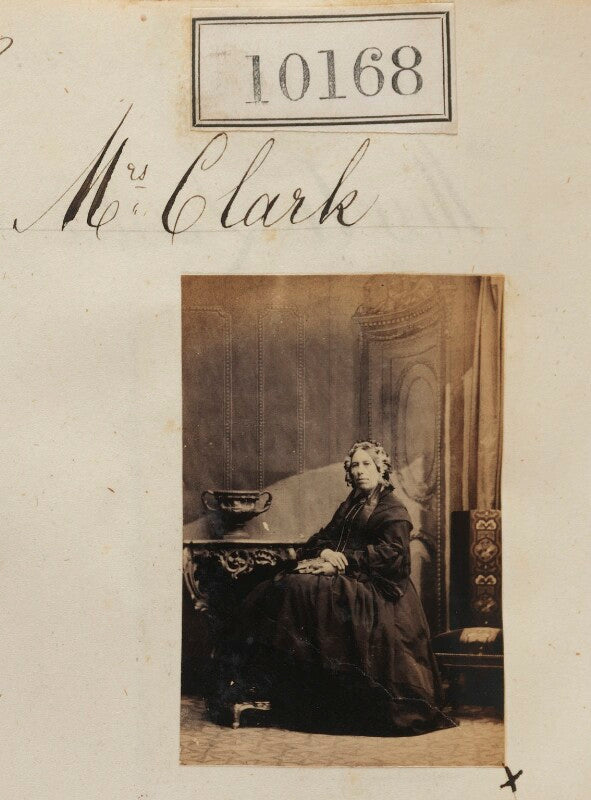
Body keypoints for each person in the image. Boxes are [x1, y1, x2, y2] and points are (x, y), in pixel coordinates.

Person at [212, 441, 453, 735]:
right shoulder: (351, 505)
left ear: (381, 469)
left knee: (299, 590)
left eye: (367, 464)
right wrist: (326, 554)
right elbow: (322, 538)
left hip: (379, 591)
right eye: (355, 465)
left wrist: (343, 563)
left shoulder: (393, 509)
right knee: (281, 587)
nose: (360, 471)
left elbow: (393, 557)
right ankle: (264, 687)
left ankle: (291, 692)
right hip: (349, 579)